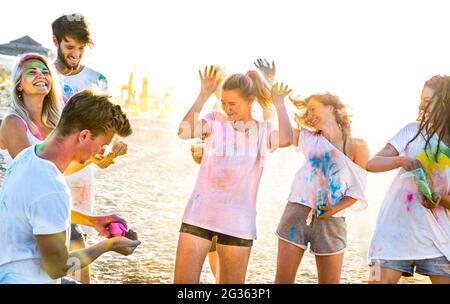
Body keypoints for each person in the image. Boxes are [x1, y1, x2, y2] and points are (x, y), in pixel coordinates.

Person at [0, 90, 140, 284]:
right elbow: (57, 268)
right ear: (83, 135)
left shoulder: (28, 157)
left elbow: (38, 211)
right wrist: (108, 246)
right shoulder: (52, 187)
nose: (102, 151)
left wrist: (93, 220)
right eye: (103, 144)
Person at [175, 65, 293, 284]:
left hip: (238, 223)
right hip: (199, 215)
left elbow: (287, 138)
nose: (227, 109)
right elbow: (184, 132)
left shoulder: (262, 131)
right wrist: (203, 95)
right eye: (224, 103)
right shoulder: (215, 120)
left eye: (232, 104)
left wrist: (279, 102)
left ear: (249, 102)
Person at [51, 13, 126, 283]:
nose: (75, 54)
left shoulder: (97, 79)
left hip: (81, 176)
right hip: (51, 168)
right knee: (55, 241)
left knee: (77, 241)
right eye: (69, 47)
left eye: (81, 48)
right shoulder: (44, 75)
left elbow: (109, 127)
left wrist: (112, 148)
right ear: (56, 41)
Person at [275, 93, 369, 284]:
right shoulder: (309, 138)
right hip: (296, 213)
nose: (309, 115)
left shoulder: (358, 147)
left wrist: (334, 209)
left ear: (330, 108)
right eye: (307, 111)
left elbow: (356, 191)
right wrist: (279, 102)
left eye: (313, 109)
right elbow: (284, 135)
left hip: (332, 219)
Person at [366, 75, 450, 284]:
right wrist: (401, 160)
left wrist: (440, 199)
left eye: (429, 101)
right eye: (422, 99)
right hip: (392, 234)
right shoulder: (412, 131)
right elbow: (371, 164)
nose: (422, 105)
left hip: (439, 239)